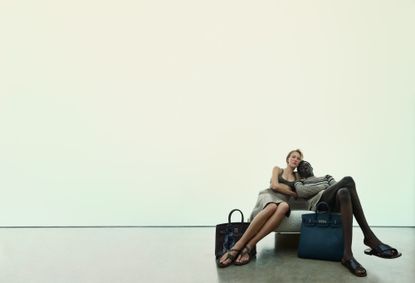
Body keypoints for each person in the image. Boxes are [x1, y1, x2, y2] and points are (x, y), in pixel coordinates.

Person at [294, 160, 402, 277]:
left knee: (344, 191)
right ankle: (369, 238)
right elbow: (302, 192)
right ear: (299, 173)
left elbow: (336, 185)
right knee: (348, 180)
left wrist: (328, 186)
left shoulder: (326, 176)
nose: (304, 167)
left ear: (312, 167)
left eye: (307, 165)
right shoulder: (300, 182)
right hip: (319, 204)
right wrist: (325, 186)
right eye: (301, 168)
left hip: (333, 202)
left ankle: (347, 255)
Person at [217, 149, 302, 268]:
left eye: (299, 159)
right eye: (293, 157)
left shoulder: (298, 176)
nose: (296, 160)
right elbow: (274, 186)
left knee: (284, 206)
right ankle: (238, 246)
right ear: (288, 159)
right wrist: (292, 193)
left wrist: (291, 191)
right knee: (272, 206)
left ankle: (250, 246)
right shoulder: (277, 169)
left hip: (282, 201)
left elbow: (301, 192)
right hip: (268, 195)